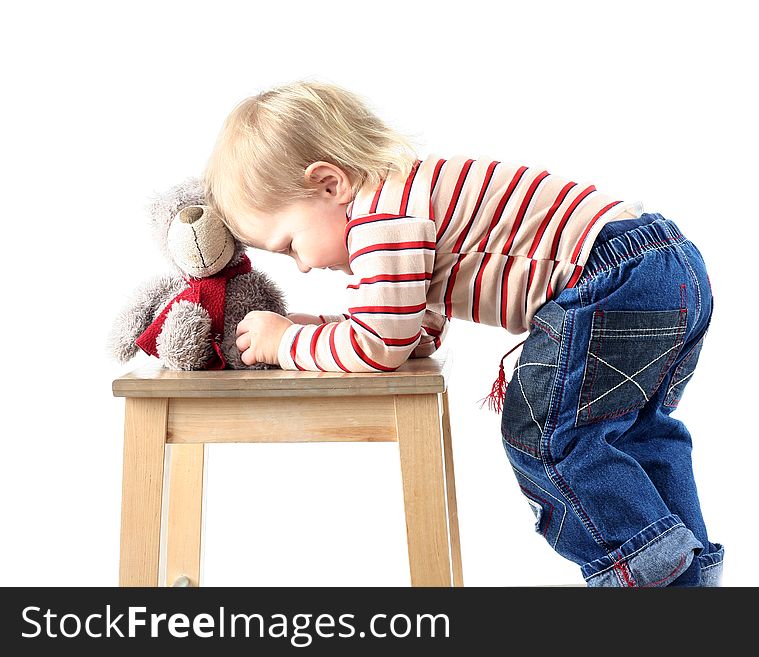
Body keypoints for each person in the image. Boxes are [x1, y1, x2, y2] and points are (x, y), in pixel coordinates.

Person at [202, 79, 723, 586]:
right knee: (636, 435)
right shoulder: (408, 192)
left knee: (545, 435)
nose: (303, 268)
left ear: (330, 184)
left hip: (613, 281)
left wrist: (284, 343)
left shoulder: (382, 216)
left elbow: (378, 343)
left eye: (290, 243)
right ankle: (688, 580)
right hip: (663, 268)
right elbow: (402, 331)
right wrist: (315, 329)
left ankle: (641, 574)